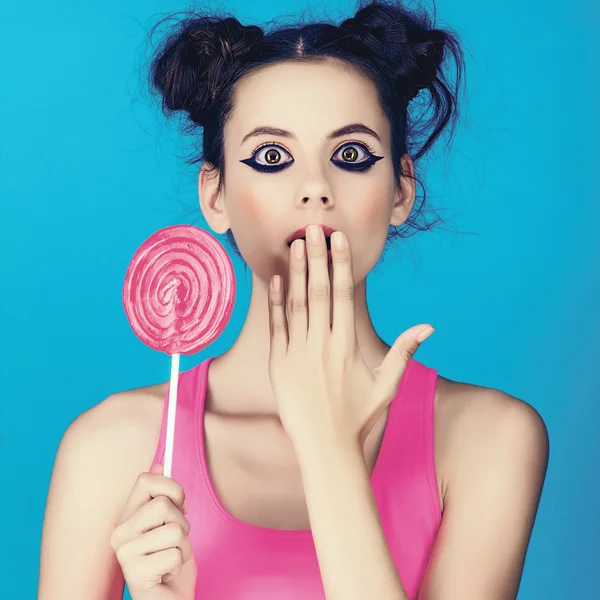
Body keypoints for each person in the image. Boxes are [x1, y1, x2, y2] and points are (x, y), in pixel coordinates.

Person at [38, 1, 549, 599]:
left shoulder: (490, 438)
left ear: (401, 191)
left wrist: (329, 448)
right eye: (272, 158)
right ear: (215, 196)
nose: (314, 189)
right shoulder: (111, 445)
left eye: (351, 156)